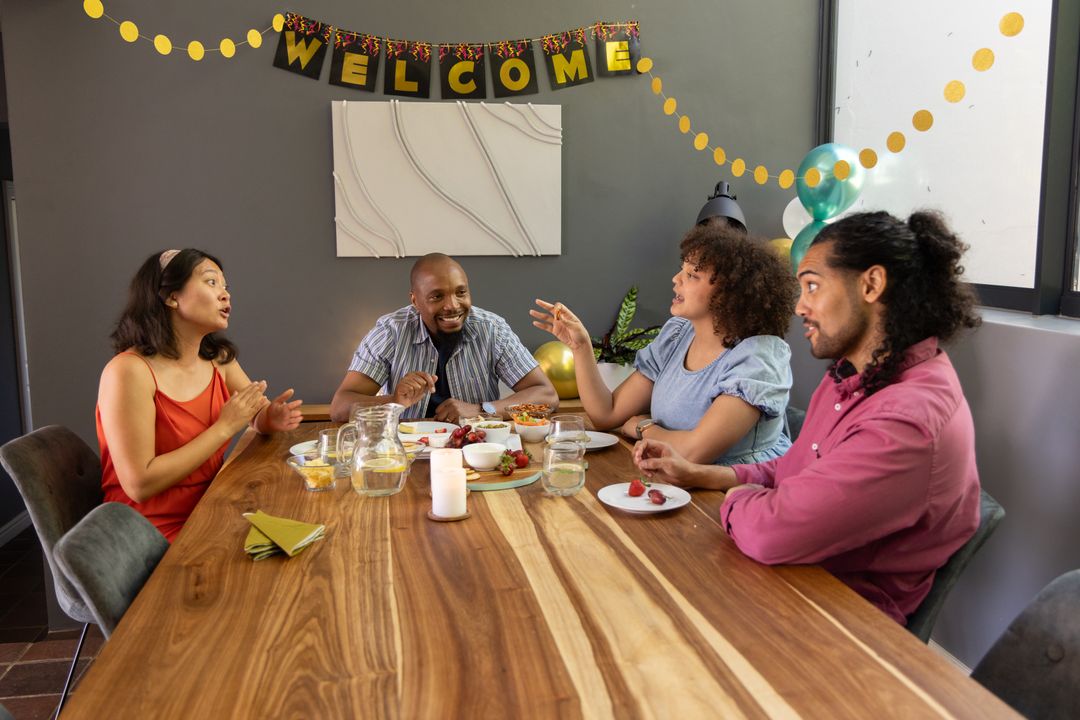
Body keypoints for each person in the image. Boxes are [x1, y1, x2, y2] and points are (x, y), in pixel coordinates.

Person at [634, 210, 983, 625]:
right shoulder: (853, 374)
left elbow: (770, 532)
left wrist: (736, 498)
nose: (800, 306)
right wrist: (705, 475)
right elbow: (802, 467)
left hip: (832, 621)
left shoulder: (905, 421)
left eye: (813, 286)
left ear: (871, 284)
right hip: (784, 577)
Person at [531, 222, 796, 465]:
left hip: (740, 492)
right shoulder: (677, 336)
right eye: (682, 269)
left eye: (692, 275)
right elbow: (607, 414)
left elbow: (694, 452)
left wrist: (644, 428)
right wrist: (580, 346)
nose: (676, 279)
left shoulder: (757, 358)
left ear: (729, 292)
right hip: (676, 482)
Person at [96, 249, 303, 543]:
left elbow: (256, 416)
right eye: (211, 282)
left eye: (225, 286)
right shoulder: (128, 371)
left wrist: (270, 417)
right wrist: (224, 428)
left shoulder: (218, 360)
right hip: (146, 536)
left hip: (211, 511)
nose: (225, 294)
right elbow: (139, 484)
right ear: (171, 297)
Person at [331, 253, 558, 423]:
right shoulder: (390, 332)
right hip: (405, 453)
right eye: (437, 296)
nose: (452, 305)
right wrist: (394, 401)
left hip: (475, 451)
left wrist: (481, 410)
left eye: (461, 292)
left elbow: (546, 395)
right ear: (415, 300)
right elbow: (339, 408)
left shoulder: (492, 330)